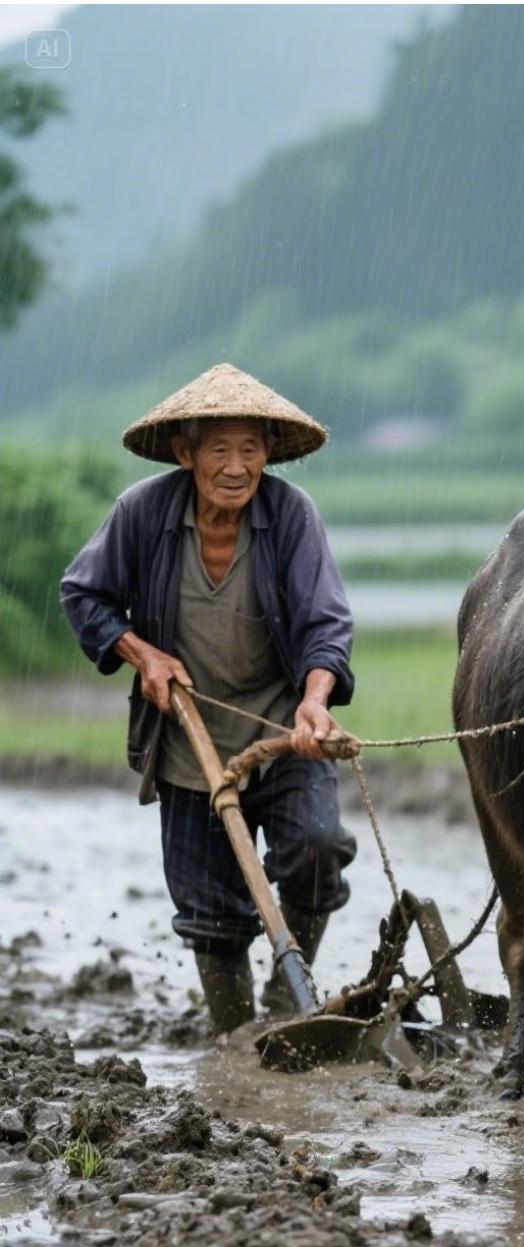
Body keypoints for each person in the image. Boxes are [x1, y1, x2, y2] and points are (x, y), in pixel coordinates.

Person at [60, 362, 357, 1033]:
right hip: (188, 742)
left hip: (283, 730)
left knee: (316, 850)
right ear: (184, 452)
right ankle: (234, 1039)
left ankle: (287, 1001)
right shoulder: (142, 513)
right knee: (210, 913)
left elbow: (326, 623)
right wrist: (143, 653)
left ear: (268, 454)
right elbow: (83, 593)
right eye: (219, 449)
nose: (236, 466)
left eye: (250, 448)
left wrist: (315, 700)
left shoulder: (291, 516)